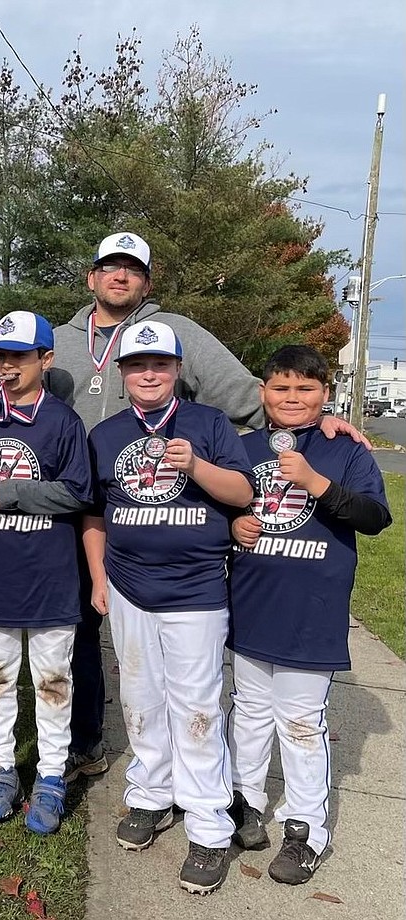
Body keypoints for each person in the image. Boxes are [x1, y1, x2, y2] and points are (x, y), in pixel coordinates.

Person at [49, 230, 369, 784]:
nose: (119, 276)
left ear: (146, 281)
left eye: (132, 269)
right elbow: (21, 395)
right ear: (91, 276)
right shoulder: (59, 341)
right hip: (75, 506)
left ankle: (182, 774)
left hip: (165, 510)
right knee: (74, 629)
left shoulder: (180, 334)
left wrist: (316, 424)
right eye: (109, 266)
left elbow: (249, 397)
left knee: (168, 664)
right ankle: (83, 741)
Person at [83, 320, 255, 895]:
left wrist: (197, 467)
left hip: (196, 587)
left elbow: (243, 493)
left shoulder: (208, 423)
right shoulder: (107, 433)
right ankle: (151, 794)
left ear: (178, 370)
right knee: (139, 696)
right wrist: (99, 577)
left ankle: (208, 822)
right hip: (129, 585)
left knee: (197, 703)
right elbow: (95, 513)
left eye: (159, 364)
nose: (149, 373)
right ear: (122, 372)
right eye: (138, 364)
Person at [227, 345, 391, 885]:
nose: (291, 398)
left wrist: (315, 483)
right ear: (262, 393)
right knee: (249, 710)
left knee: (300, 722)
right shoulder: (242, 445)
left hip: (311, 610)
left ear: (326, 394)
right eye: (280, 387)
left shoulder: (346, 451)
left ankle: (305, 829)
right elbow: (222, 505)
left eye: (305, 389)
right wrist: (234, 527)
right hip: (251, 604)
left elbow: (373, 517)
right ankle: (245, 803)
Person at [0, 311, 92, 835]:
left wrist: (8, 492)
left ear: (46, 359)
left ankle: (51, 775)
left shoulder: (63, 421)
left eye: (19, 356)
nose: (7, 366)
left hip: (50, 574)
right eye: (0, 356)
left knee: (52, 678)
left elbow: (79, 492)